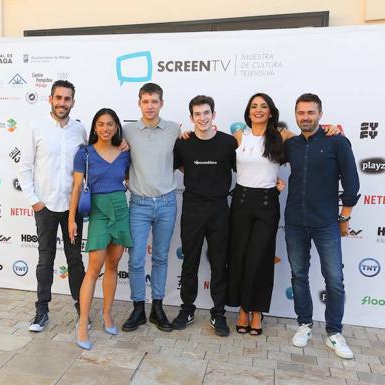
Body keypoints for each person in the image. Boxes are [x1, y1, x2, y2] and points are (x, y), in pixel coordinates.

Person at [226, 94, 340, 336]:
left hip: (268, 204)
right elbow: (212, 150)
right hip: (241, 203)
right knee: (241, 257)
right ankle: (243, 310)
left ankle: (257, 311)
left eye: (263, 106)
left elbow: (307, 142)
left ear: (270, 111)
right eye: (254, 106)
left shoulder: (282, 136)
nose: (258, 110)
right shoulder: (238, 137)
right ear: (248, 111)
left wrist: (329, 129)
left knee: (260, 259)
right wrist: (185, 135)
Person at [285, 93, 360, 359]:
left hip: (326, 222)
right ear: (295, 115)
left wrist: (344, 217)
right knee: (299, 276)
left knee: (335, 281)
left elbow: (351, 184)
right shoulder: (291, 144)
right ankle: (304, 325)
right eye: (301, 113)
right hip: (294, 221)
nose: (306, 117)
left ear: (320, 114)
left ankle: (334, 333)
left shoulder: (337, 142)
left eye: (310, 112)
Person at [18, 80, 87, 332]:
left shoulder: (80, 130)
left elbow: (88, 164)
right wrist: (35, 201)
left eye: (67, 99)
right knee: (45, 260)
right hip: (45, 206)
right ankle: (41, 311)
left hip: (72, 207)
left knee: (75, 260)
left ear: (72, 102)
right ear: (50, 99)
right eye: (58, 98)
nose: (62, 103)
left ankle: (82, 309)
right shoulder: (36, 127)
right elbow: (24, 167)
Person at [172, 95, 236, 337]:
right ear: (191, 118)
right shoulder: (183, 144)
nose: (202, 118)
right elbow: (179, 165)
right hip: (193, 207)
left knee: (220, 263)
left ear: (214, 114)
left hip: (220, 208)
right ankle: (187, 309)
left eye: (206, 112)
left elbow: (243, 167)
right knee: (190, 261)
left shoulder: (228, 143)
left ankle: (218, 312)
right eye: (197, 114)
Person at [68, 108, 132, 350]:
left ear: (117, 127)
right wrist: (71, 218)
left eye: (111, 124)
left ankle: (107, 314)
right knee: (93, 269)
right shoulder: (84, 153)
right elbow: (76, 188)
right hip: (97, 211)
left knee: (113, 265)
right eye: (101, 124)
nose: (106, 128)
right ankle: (83, 323)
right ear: (94, 127)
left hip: (120, 209)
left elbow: (127, 179)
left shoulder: (125, 153)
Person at [122, 83, 182, 332]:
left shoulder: (174, 130)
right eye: (145, 101)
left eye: (154, 101)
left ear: (161, 103)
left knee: (160, 258)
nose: (150, 106)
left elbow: (185, 156)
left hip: (167, 202)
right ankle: (138, 309)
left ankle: (157, 307)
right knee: (136, 259)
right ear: (139, 103)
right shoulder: (127, 131)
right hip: (139, 203)